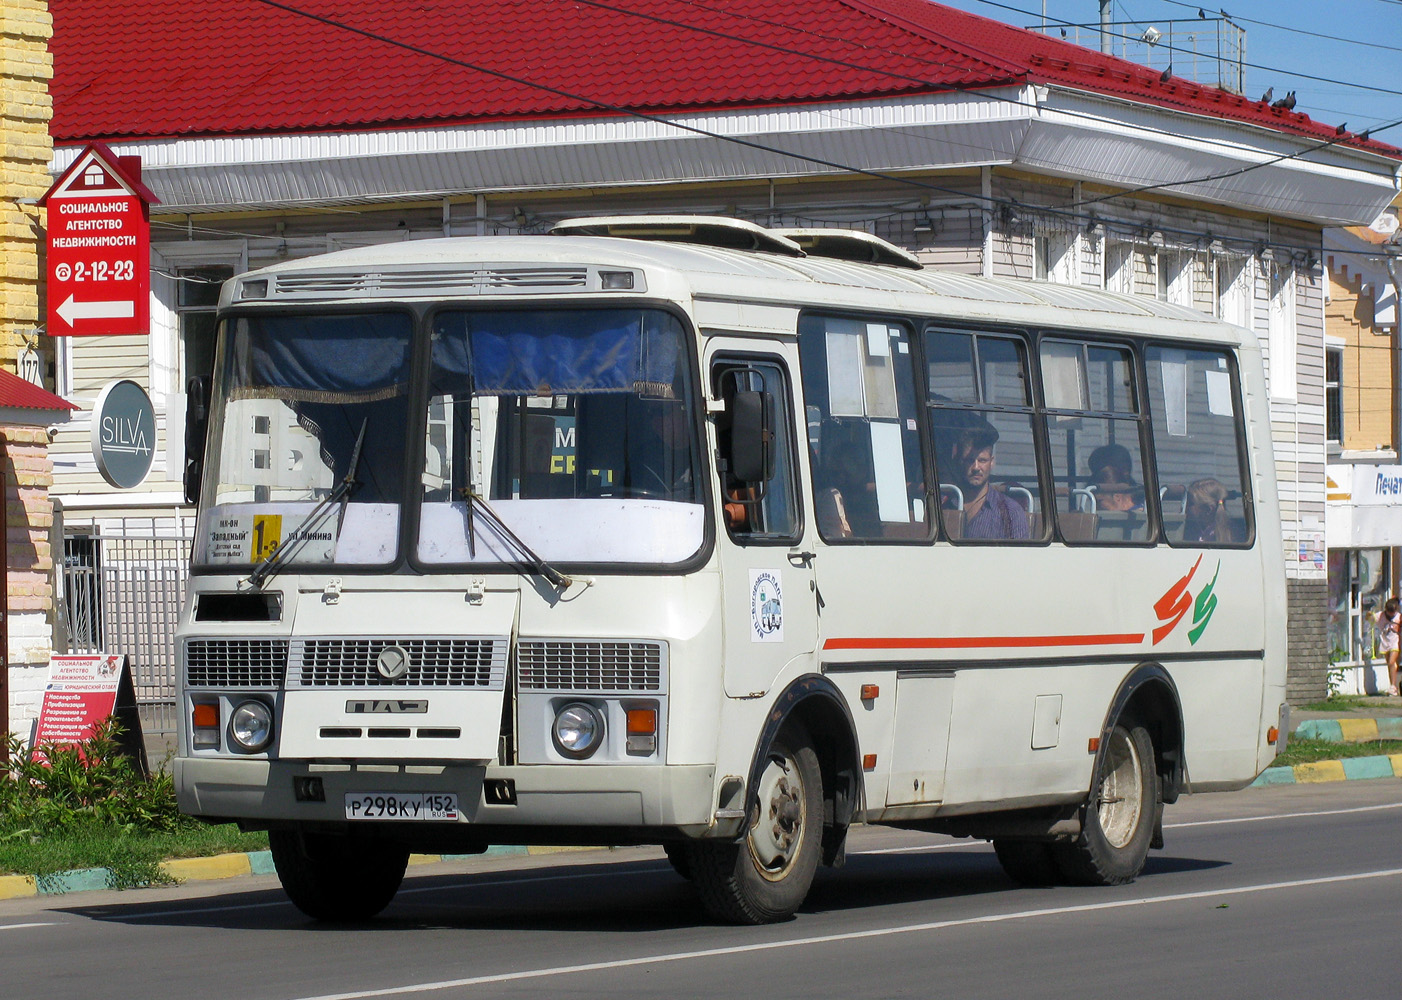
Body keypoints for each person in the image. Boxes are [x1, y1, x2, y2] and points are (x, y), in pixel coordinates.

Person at [942, 422, 1028, 540]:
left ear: (992, 462)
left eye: (982, 460)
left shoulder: (1010, 512)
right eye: (969, 460)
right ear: (959, 461)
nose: (976, 467)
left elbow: (1020, 557)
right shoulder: (942, 505)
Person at [1183, 477, 1233, 543]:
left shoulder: (1225, 535)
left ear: (1208, 510)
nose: (1185, 508)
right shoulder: (1192, 529)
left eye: (1191, 504)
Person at [1379, 597, 1401, 696]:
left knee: (1392, 662)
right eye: (1389, 612)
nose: (1391, 615)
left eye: (1393, 612)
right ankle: (1393, 686)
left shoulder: (1399, 617)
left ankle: (1393, 686)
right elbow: (1370, 618)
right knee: (1390, 664)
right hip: (1385, 643)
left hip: (1395, 642)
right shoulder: (1381, 615)